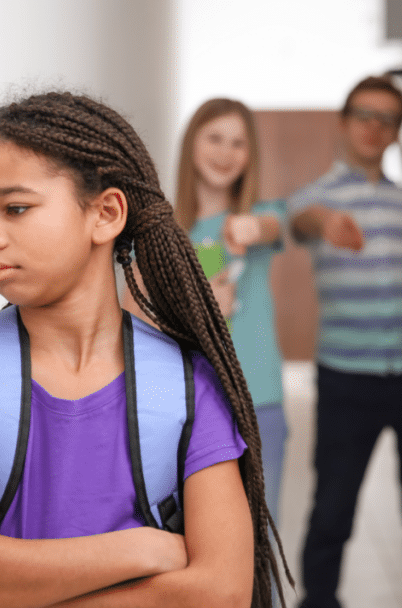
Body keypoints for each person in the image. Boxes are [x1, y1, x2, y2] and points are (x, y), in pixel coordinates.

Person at [0, 91, 288, 608]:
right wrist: (138, 551)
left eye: (16, 208)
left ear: (104, 214)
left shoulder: (189, 382)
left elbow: (223, 602)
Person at [280, 75, 402, 608]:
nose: (375, 127)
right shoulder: (313, 198)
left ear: (398, 131)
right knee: (332, 512)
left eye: (388, 118)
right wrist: (325, 220)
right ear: (344, 123)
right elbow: (299, 221)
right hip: (347, 378)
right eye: (364, 115)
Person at [125, 97, 288, 524]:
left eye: (238, 142)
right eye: (215, 137)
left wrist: (251, 227)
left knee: (260, 537)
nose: (225, 152)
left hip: (258, 400)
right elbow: (133, 317)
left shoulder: (258, 219)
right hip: (186, 405)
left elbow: (278, 225)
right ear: (191, 142)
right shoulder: (159, 235)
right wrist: (197, 310)